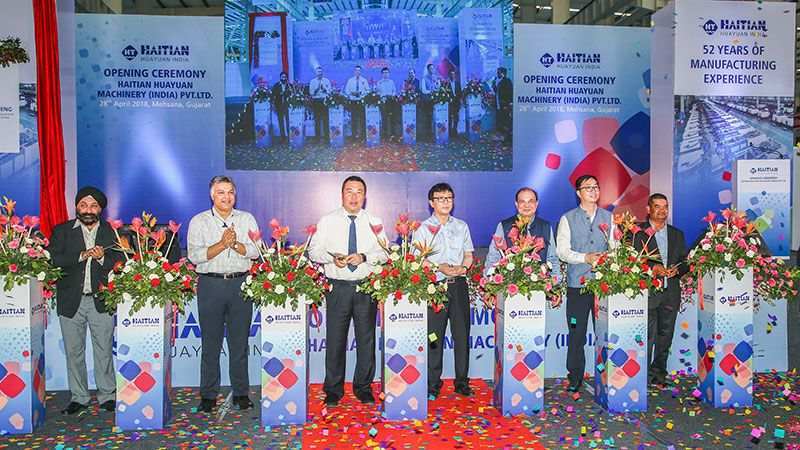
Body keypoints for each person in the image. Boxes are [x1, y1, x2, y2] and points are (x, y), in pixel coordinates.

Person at [308, 176, 388, 406]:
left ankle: (363, 388)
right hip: (338, 287)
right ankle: (333, 389)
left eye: (359, 192)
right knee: (335, 340)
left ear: (365, 196)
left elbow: (385, 253)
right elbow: (313, 251)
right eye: (349, 191)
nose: (354, 196)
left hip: (365, 287)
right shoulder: (327, 220)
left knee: (366, 340)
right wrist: (332, 258)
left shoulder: (374, 221)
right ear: (341, 194)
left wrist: (364, 257)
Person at [187, 176, 260, 413]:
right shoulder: (199, 221)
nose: (226, 197)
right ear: (212, 196)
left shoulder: (246, 219)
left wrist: (235, 244)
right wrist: (221, 244)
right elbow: (194, 256)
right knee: (211, 344)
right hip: (211, 285)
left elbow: (257, 251)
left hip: (240, 284)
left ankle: (241, 393)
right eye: (221, 192)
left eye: (230, 192)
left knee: (239, 343)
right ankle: (208, 395)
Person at [49, 186, 122, 415]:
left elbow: (121, 261)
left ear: (100, 209)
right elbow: (53, 260)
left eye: (93, 205)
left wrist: (102, 258)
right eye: (83, 205)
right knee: (74, 352)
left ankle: (107, 395)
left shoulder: (111, 231)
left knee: (104, 350)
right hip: (71, 300)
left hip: (101, 300)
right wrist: (82, 255)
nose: (88, 210)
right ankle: (79, 397)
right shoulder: (62, 231)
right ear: (77, 207)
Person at [411, 183, 474, 399]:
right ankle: (432, 383)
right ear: (431, 203)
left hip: (458, 286)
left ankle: (462, 381)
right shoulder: (422, 229)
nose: (446, 202)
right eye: (440, 198)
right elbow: (417, 260)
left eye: (449, 198)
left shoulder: (462, 226)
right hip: (435, 287)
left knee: (462, 335)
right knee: (433, 337)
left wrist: (463, 268)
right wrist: (439, 268)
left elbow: (468, 254)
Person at [556, 175, 614, 392]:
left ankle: (607, 376)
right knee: (576, 332)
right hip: (577, 287)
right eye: (588, 187)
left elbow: (616, 247)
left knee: (605, 333)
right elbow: (562, 252)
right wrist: (585, 258)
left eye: (596, 187)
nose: (593, 191)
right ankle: (575, 376)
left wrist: (607, 259)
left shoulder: (609, 217)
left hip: (603, 287)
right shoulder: (567, 218)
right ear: (578, 193)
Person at [632, 193, 688, 386]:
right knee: (646, 336)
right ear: (648, 209)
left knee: (665, 336)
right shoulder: (637, 232)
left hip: (670, 293)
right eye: (657, 206)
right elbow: (631, 261)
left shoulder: (677, 234)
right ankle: (642, 376)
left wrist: (677, 270)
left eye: (665, 207)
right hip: (647, 292)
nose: (662, 211)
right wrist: (652, 268)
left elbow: (685, 261)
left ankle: (659, 374)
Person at [485, 187, 560, 283]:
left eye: (531, 201)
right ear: (516, 204)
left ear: (537, 204)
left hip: (540, 285)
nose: (526, 205)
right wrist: (489, 281)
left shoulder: (545, 226)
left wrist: (555, 282)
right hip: (509, 285)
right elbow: (493, 257)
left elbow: (552, 258)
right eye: (522, 201)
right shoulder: (504, 226)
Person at [345, 66, 369, 141]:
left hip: (361, 102)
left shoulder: (364, 80)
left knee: (362, 119)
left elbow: (368, 91)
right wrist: (352, 93)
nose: (357, 72)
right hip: (353, 102)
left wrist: (361, 93)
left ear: (361, 72)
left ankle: (363, 136)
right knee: (353, 119)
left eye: (359, 70)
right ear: (354, 71)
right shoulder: (350, 80)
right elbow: (346, 91)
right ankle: (354, 136)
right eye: (356, 70)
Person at [309, 66, 332, 143]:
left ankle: (327, 138)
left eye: (321, 72)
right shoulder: (312, 81)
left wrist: (324, 89)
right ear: (316, 73)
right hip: (316, 102)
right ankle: (317, 138)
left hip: (324, 101)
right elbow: (311, 93)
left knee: (326, 120)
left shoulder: (326, 81)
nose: (320, 73)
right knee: (317, 120)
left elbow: (330, 92)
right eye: (318, 72)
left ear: (322, 73)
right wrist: (317, 89)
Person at [492, 67, 513, 144]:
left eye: (498, 72)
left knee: (505, 121)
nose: (497, 74)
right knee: (500, 121)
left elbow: (510, 93)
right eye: (497, 72)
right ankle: (501, 138)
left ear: (503, 73)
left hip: (505, 105)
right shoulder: (498, 81)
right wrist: (494, 85)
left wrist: (509, 103)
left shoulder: (507, 81)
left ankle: (507, 139)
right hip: (498, 105)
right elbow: (497, 92)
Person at [376, 67, 397, 140]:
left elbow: (394, 91)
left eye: (387, 73)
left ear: (389, 74)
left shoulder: (391, 82)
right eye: (384, 73)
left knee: (392, 118)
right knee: (384, 118)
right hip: (383, 102)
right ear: (381, 74)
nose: (385, 74)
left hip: (391, 102)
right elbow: (378, 93)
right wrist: (382, 97)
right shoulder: (379, 83)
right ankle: (384, 135)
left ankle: (392, 135)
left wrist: (392, 96)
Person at [271, 72, 291, 144]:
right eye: (282, 77)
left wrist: (286, 93)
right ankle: (283, 138)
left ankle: (290, 137)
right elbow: (272, 95)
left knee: (288, 122)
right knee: (281, 122)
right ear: (280, 77)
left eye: (285, 77)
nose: (284, 78)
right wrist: (273, 105)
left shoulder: (289, 85)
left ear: (286, 78)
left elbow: (292, 94)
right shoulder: (276, 85)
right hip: (279, 106)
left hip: (287, 106)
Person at [444, 69, 461, 138]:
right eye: (451, 74)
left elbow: (460, 93)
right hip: (450, 103)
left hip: (456, 102)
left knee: (456, 118)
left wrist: (460, 101)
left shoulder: (457, 83)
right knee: (450, 118)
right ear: (449, 75)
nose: (452, 75)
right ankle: (450, 132)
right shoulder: (447, 84)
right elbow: (445, 93)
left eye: (453, 74)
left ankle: (455, 131)